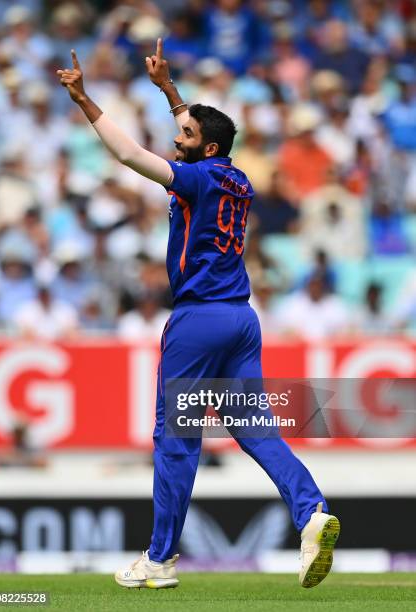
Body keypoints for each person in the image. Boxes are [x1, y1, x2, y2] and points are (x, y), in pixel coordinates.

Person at [56, 39, 340, 590]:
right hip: (241, 318)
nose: (175, 136)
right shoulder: (235, 177)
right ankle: (311, 513)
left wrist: (86, 101)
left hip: (199, 320)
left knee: (175, 438)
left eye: (184, 136)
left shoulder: (198, 177)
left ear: (206, 149)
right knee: (255, 429)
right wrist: (168, 89)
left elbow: (129, 156)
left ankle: (160, 560)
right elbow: (195, 131)